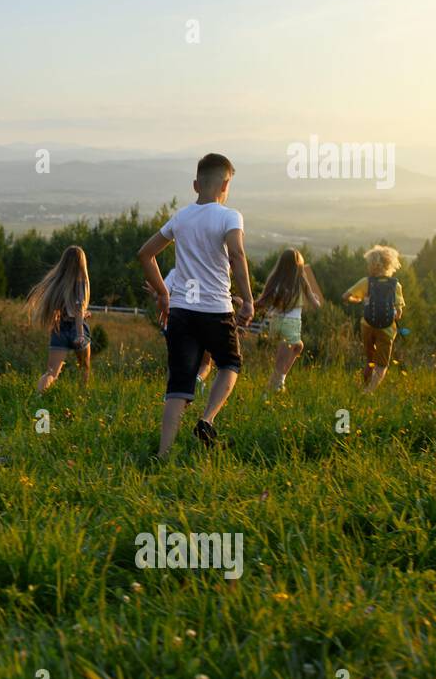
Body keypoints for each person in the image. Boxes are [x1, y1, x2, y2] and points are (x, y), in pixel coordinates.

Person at [137, 153, 254, 455]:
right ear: (225, 185)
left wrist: (164, 293)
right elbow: (237, 256)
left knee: (179, 382)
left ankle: (162, 454)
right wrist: (248, 300)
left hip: (181, 312)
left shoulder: (181, 218)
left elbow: (145, 254)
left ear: (195, 185)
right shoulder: (230, 216)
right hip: (217, 310)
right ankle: (207, 419)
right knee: (230, 364)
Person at [254, 248, 323, 392]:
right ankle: (273, 389)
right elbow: (316, 305)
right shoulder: (301, 280)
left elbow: (262, 302)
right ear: (299, 264)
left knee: (297, 347)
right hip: (291, 324)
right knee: (282, 361)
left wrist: (246, 304)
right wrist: (316, 300)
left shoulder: (275, 279)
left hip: (276, 322)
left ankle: (279, 383)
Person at [26, 245, 92, 393]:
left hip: (59, 328)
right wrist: (80, 334)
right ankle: (82, 398)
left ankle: (38, 397)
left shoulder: (58, 282)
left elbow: (64, 308)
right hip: (77, 328)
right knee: (84, 368)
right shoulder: (82, 282)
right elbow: (79, 309)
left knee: (51, 373)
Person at [342, 245, 405, 394]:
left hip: (367, 325)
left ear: (372, 265)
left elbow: (345, 296)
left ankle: (364, 386)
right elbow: (399, 314)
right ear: (390, 265)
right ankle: (369, 391)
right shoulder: (396, 285)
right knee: (381, 364)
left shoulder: (366, 282)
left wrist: (357, 299)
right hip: (387, 329)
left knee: (370, 359)